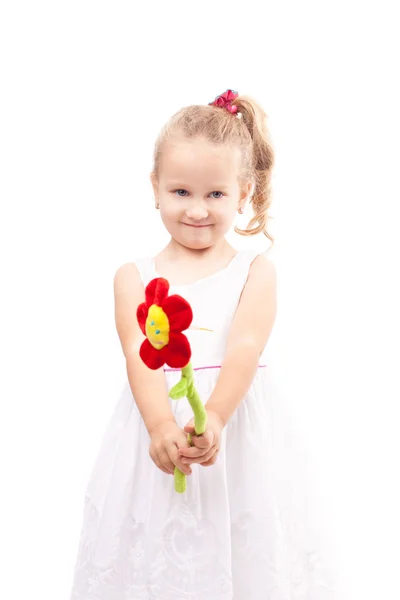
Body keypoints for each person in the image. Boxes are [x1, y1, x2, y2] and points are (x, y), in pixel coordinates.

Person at [69, 90, 337, 599]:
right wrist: (161, 424)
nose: (196, 210)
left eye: (215, 194)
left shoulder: (253, 272)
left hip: (233, 428)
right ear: (155, 187)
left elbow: (245, 348)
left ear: (243, 192)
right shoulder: (134, 277)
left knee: (243, 544)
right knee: (152, 546)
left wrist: (213, 416)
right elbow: (138, 354)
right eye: (180, 192)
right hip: (155, 428)